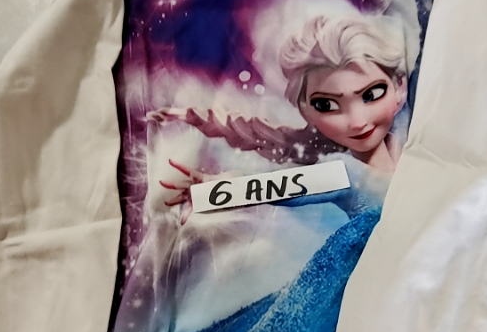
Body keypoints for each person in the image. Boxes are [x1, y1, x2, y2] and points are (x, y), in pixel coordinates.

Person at [155, 14, 413, 222]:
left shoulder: (410, 135)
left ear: (400, 87)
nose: (357, 121)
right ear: (305, 110)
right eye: (327, 105)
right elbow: (280, 186)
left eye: (371, 94)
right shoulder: (346, 173)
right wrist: (212, 193)